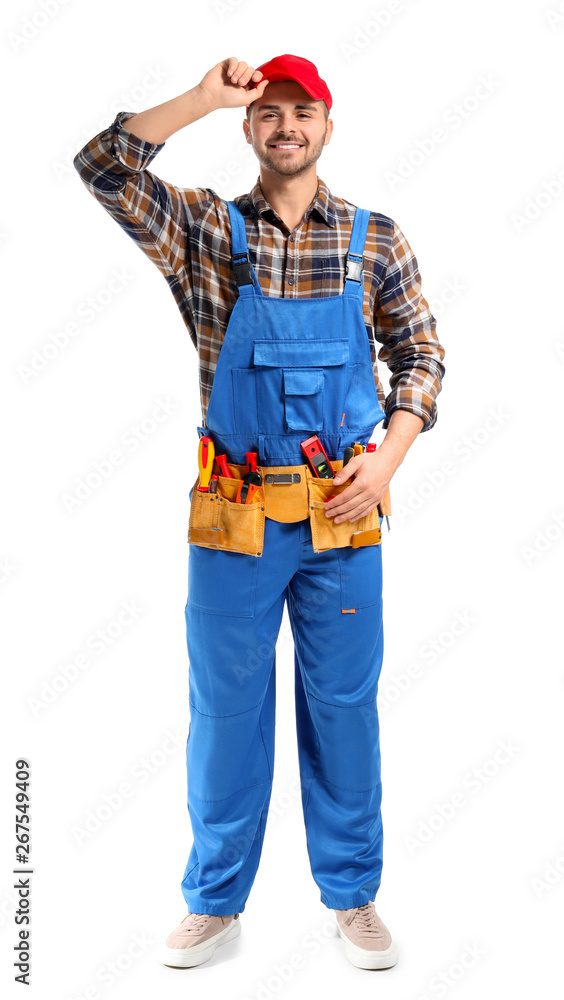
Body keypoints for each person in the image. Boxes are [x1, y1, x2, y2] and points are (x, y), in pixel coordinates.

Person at [73, 53, 445, 972]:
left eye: (302, 111)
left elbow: (423, 356)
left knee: (345, 710)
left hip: (343, 523)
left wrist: (389, 458)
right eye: (268, 112)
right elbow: (104, 167)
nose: (286, 126)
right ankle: (215, 901)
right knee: (226, 712)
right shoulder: (204, 231)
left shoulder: (373, 238)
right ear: (249, 127)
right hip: (234, 516)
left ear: (328, 124)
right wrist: (202, 95)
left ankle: (353, 896)